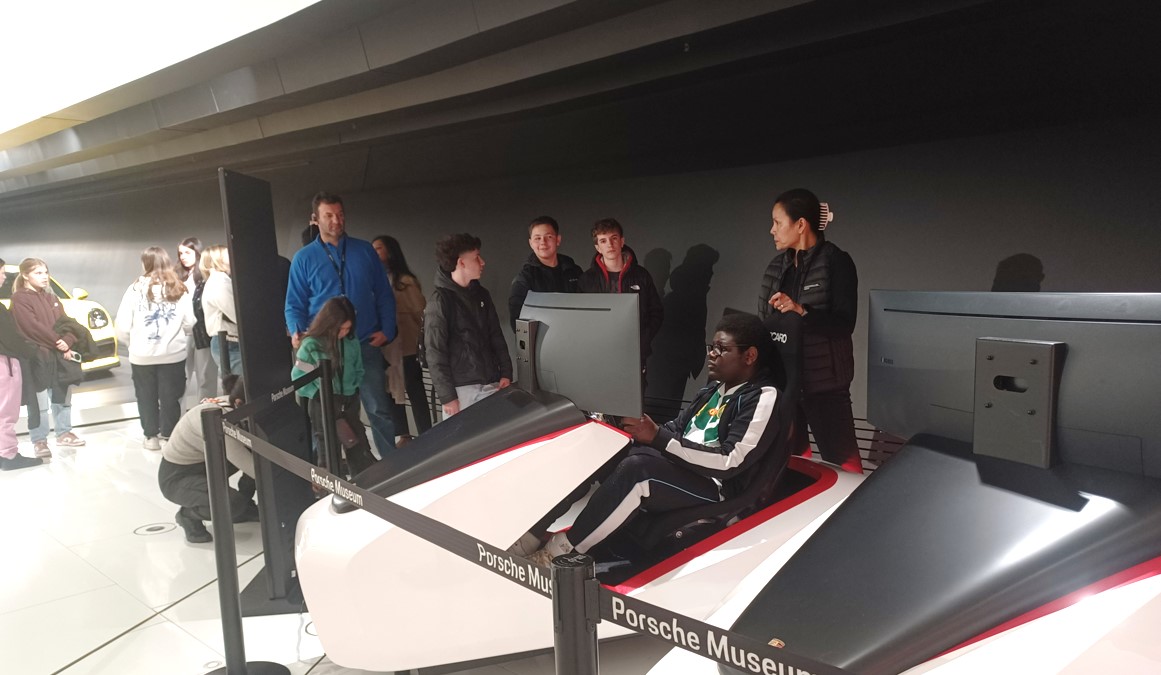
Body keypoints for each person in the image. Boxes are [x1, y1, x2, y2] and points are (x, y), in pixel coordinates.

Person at [526, 313, 784, 563]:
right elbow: (676, 428)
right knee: (603, 450)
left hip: (715, 486)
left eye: (721, 349)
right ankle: (530, 536)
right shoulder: (712, 390)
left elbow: (730, 461)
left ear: (749, 356)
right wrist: (639, 432)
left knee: (639, 470)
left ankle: (558, 554)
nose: (711, 354)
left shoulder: (763, 396)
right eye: (711, 347)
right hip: (684, 468)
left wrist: (658, 437)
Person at [285, 192, 398, 458]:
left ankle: (393, 466)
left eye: (340, 214)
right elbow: (294, 302)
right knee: (325, 413)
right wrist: (296, 331)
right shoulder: (304, 258)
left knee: (378, 409)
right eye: (329, 215)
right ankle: (326, 470)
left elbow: (384, 293)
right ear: (315, 219)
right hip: (323, 350)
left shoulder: (364, 250)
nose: (336, 220)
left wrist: (388, 330)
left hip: (364, 342)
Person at [759, 188, 862, 473]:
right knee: (791, 465)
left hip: (825, 385)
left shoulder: (836, 261)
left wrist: (802, 311)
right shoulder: (774, 268)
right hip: (784, 385)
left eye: (777, 222)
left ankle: (855, 504)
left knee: (846, 466)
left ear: (801, 224)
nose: (772, 230)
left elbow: (844, 324)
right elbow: (764, 324)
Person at [158, 374, 259, 543]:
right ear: (239, 403)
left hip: (206, 463)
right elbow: (254, 468)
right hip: (178, 477)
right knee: (232, 503)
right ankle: (188, 515)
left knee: (255, 452)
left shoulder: (232, 404)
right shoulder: (218, 420)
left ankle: (244, 505)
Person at [115, 246, 195, 451]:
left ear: (145, 263)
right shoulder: (179, 288)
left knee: (146, 396)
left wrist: (132, 345)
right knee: (171, 397)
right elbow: (190, 322)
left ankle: (151, 437)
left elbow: (122, 326)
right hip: (173, 354)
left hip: (142, 355)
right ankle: (169, 436)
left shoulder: (134, 290)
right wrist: (178, 335)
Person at [424, 233, 512, 417]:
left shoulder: (482, 295)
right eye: (476, 257)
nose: (482, 262)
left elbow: (496, 335)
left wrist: (506, 372)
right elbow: (435, 352)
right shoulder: (440, 301)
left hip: (491, 383)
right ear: (461, 262)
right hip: (460, 391)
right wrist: (447, 396)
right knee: (464, 436)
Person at [9, 257, 86, 457]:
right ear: (25, 275)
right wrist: (58, 342)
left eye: (45, 272)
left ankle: (64, 433)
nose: (44, 277)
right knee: (40, 402)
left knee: (62, 396)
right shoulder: (20, 299)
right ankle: (39, 441)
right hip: (38, 358)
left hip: (58, 356)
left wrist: (68, 340)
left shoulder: (51, 297)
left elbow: (66, 323)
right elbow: (32, 328)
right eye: (38, 273)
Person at [291, 296, 376, 476]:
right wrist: (319, 395)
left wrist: (353, 387)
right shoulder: (311, 345)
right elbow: (298, 378)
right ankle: (329, 488)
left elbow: (359, 368)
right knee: (328, 453)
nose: (344, 333)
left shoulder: (351, 341)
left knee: (357, 445)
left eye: (348, 328)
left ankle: (364, 485)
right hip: (322, 402)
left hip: (349, 400)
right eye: (341, 328)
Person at [579, 218, 664, 370]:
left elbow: (656, 311)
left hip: (635, 354)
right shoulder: (587, 279)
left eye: (614, 238)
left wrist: (643, 339)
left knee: (636, 386)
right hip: (598, 353)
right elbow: (580, 318)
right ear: (598, 247)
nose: (610, 245)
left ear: (622, 241)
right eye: (603, 241)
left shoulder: (641, 275)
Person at [372, 235, 431, 440]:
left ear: (390, 251)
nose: (374, 252)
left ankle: (427, 436)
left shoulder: (406, 282)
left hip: (408, 347)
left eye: (378, 248)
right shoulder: (375, 280)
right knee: (391, 392)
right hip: (385, 348)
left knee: (415, 391)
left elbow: (421, 313)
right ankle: (403, 436)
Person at [0, 259, 44, 470]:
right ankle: (8, 455)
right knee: (5, 412)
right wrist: (31, 351)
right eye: (0, 273)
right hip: (5, 365)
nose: (3, 277)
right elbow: (12, 339)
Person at [507, 216, 583, 331]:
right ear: (531, 243)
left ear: (558, 240)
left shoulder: (574, 271)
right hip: (543, 340)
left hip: (576, 335)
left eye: (549, 237)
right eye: (537, 238)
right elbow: (517, 324)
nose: (543, 242)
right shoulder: (524, 279)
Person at [177, 237, 219, 404]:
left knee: (206, 376)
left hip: (203, 331)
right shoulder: (177, 276)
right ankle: (177, 416)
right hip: (182, 333)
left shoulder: (206, 275)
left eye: (187, 252)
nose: (183, 257)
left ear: (197, 252)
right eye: (180, 253)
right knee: (181, 377)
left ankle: (205, 413)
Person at [198, 245, 242, 379]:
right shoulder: (219, 282)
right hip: (230, 343)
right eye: (227, 254)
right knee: (242, 387)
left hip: (228, 342)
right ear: (218, 259)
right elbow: (237, 314)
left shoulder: (217, 281)